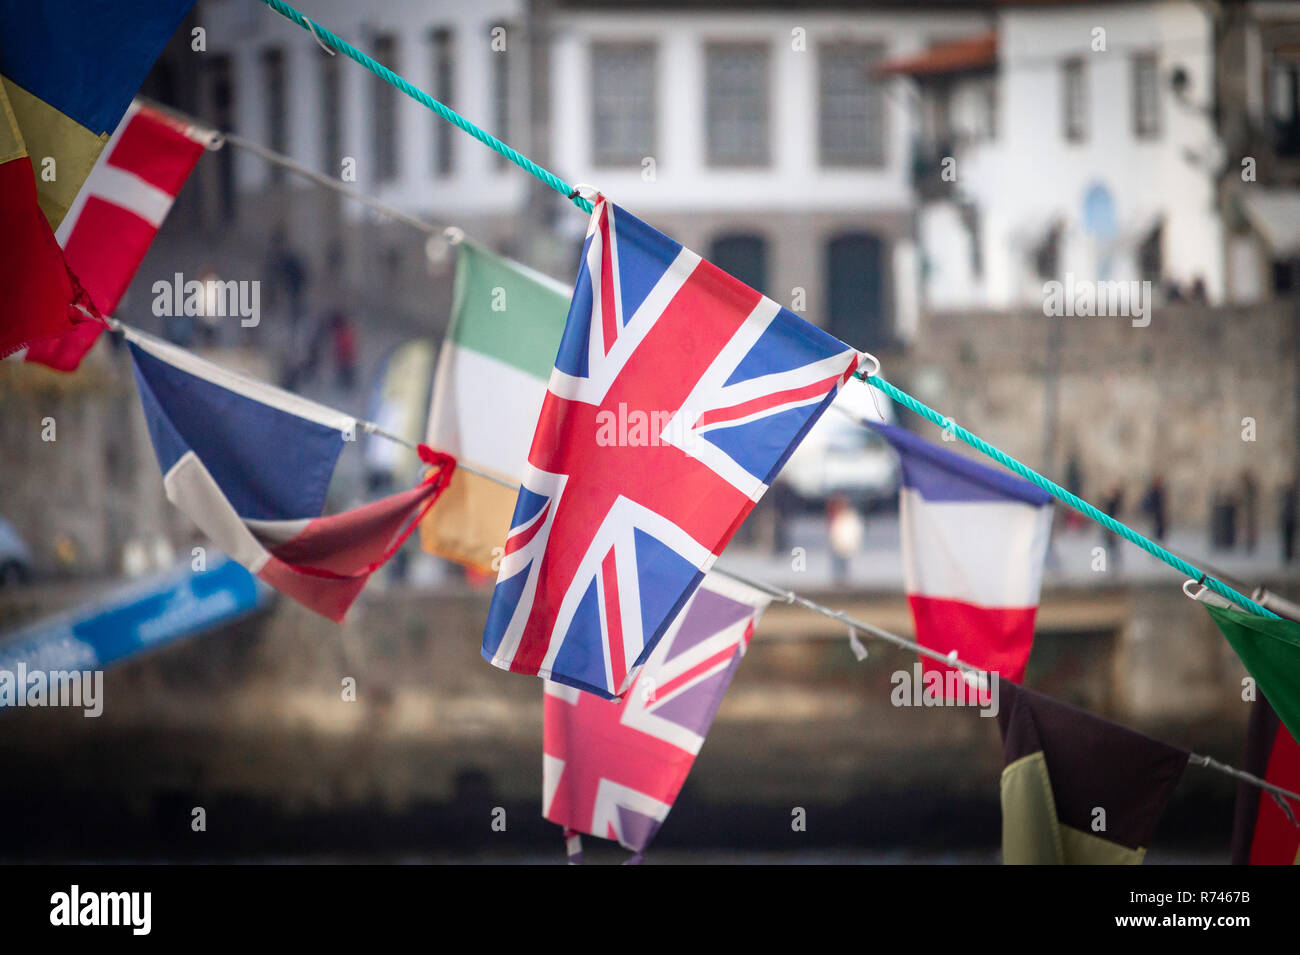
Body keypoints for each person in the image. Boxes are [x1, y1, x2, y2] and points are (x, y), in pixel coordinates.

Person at [1139, 476, 1167, 542]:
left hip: (1159, 517)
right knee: (1156, 536)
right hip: (1156, 517)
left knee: (1159, 536)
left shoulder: (1159, 491)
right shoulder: (1153, 492)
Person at [1240, 469, 1258, 554]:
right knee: (1247, 528)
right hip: (1247, 511)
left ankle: (1250, 544)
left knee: (1250, 528)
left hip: (1249, 512)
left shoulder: (1250, 488)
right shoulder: (1246, 488)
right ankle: (1248, 543)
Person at [1283, 480, 1297, 564]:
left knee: (1290, 540)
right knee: (1289, 540)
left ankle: (1289, 555)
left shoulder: (1291, 497)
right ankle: (1288, 556)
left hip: (1290, 521)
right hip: (1289, 521)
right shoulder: (1292, 497)